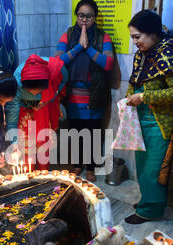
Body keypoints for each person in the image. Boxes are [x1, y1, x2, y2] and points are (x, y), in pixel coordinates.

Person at [123, 10, 173, 224]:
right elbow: (135, 80)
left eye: (138, 37)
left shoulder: (169, 52)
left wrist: (144, 97)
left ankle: (150, 211)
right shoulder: (144, 54)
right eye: (132, 38)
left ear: (153, 33)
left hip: (159, 123)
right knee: (142, 166)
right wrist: (129, 97)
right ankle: (148, 201)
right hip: (140, 120)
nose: (135, 42)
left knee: (153, 170)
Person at [55, 0, 115, 182]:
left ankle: (91, 167)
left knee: (93, 132)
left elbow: (108, 63)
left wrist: (88, 48)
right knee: (74, 131)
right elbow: (58, 62)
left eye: (89, 16)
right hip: (73, 93)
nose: (84, 20)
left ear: (95, 18)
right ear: (77, 15)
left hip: (94, 94)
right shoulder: (68, 34)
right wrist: (79, 46)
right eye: (81, 15)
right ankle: (77, 164)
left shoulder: (102, 37)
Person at [5, 54, 68, 172]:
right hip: (25, 109)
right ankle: (30, 174)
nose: (35, 95)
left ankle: (44, 173)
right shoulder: (16, 85)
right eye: (30, 92)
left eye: (38, 92)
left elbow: (64, 79)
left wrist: (51, 97)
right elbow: (12, 118)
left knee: (43, 143)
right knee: (27, 143)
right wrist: (14, 144)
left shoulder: (56, 70)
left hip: (44, 108)